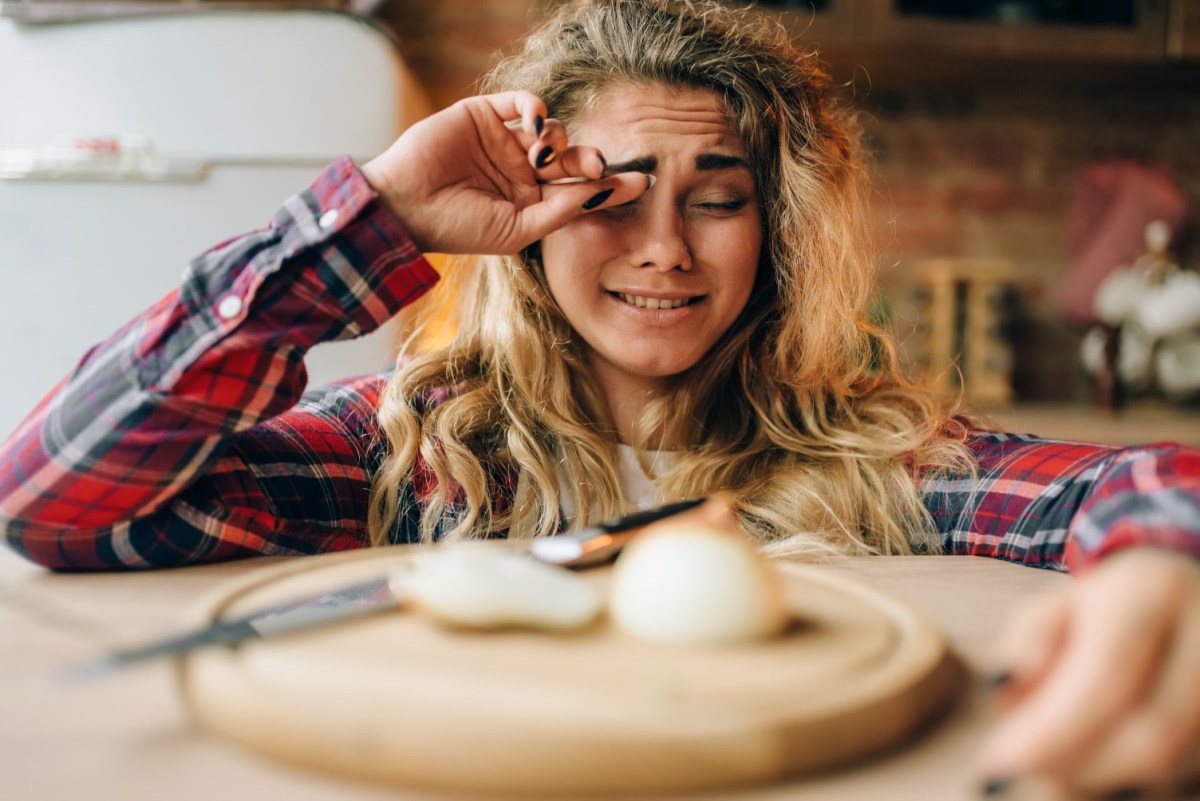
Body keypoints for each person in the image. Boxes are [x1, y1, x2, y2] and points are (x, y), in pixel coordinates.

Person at [0, 0, 1197, 795]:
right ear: (532, 222)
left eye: (716, 198)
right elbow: (59, 500)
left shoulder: (866, 457)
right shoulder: (414, 449)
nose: (665, 248)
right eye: (615, 195)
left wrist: (1164, 557)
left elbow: (1119, 483)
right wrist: (369, 218)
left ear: (770, 230)